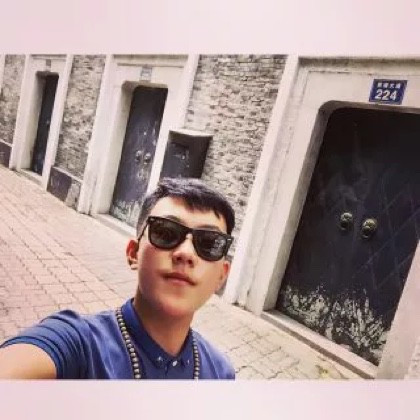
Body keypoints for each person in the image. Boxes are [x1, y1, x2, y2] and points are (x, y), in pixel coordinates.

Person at [0, 178, 235, 379]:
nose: (185, 253)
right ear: (133, 253)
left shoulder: (220, 373)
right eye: (165, 232)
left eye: (209, 243)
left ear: (221, 276)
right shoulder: (80, 346)